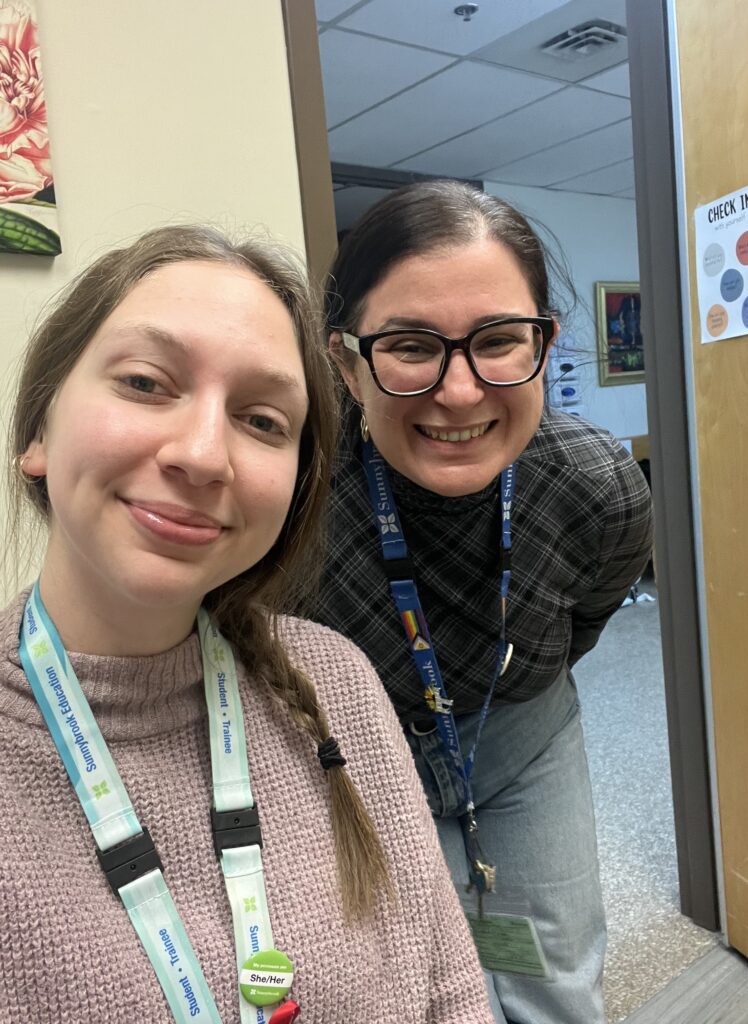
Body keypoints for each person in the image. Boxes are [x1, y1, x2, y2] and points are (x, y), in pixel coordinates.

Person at [0, 224, 495, 1024]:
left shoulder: (331, 677)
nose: (202, 454)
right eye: (145, 382)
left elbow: (448, 988)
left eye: (263, 421)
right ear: (38, 433)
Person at [313, 181, 654, 1024]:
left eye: (499, 340)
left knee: (553, 975)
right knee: (407, 986)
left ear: (546, 341)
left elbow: (583, 620)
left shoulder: (597, 485)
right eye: (410, 346)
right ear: (347, 363)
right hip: (352, 758)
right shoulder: (293, 502)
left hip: (524, 731)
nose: (460, 392)